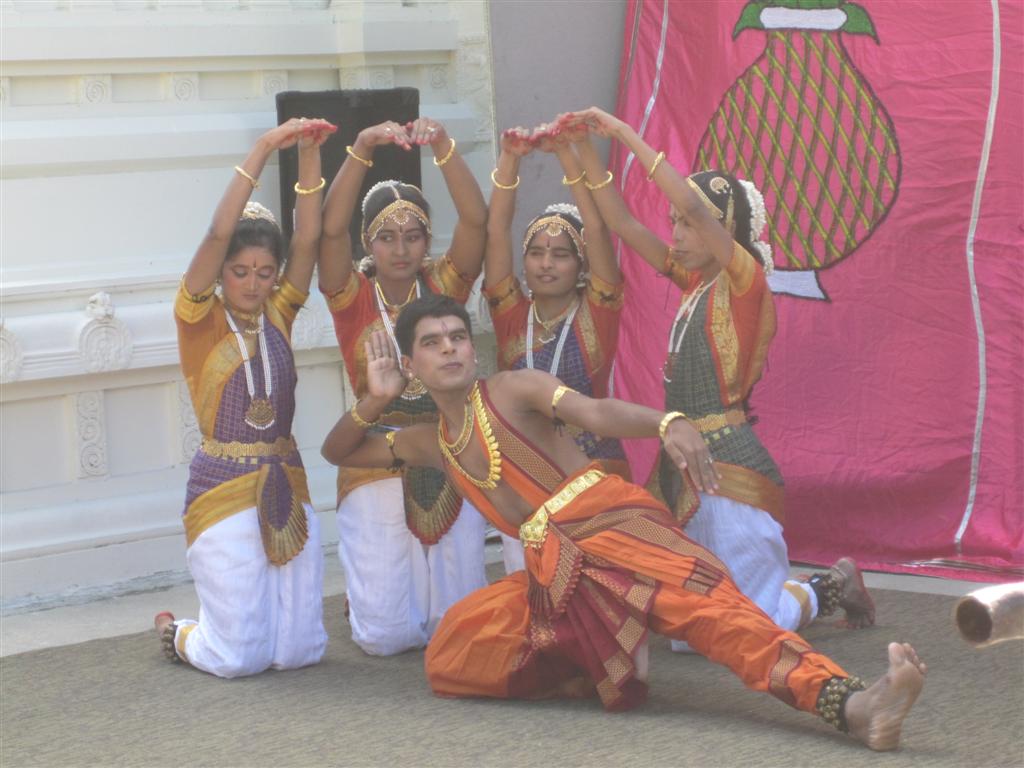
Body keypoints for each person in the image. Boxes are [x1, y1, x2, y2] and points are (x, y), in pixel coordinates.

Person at [320, 295, 925, 751]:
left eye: (457, 336)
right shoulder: (432, 442)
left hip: (610, 525)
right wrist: (374, 401)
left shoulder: (511, 389)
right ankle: (600, 653)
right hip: (554, 568)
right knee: (454, 646)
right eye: (432, 342)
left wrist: (667, 423)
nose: (449, 348)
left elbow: (595, 411)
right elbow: (340, 452)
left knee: (712, 615)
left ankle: (848, 702)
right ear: (410, 361)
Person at [561, 107, 874, 642]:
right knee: (690, 635)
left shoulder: (744, 281)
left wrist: (624, 134)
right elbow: (622, 223)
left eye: (690, 223)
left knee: (755, 630)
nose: (678, 231)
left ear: (722, 228)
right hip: (680, 461)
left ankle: (829, 585)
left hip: (729, 466)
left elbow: (685, 199)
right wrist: (574, 149)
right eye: (677, 224)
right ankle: (780, 591)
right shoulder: (693, 283)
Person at [155, 117, 336, 676]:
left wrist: (309, 155)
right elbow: (215, 235)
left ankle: (230, 627)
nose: (254, 283)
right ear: (221, 274)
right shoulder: (198, 320)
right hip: (223, 489)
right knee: (239, 659)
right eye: (240, 272)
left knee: (299, 652)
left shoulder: (278, 315)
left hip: (287, 481)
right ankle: (179, 633)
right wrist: (261, 151)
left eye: (264, 272)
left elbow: (308, 238)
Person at [316, 117, 489, 655]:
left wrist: (442, 147)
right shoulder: (351, 297)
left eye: (413, 236)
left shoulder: (443, 285)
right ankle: (368, 598)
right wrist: (361, 147)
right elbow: (326, 232)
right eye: (387, 237)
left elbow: (477, 222)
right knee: (387, 638)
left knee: (455, 628)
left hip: (447, 452)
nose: (401, 249)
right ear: (368, 241)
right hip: (373, 456)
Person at [483, 123, 629, 572]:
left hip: (593, 472)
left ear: (581, 264)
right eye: (537, 252)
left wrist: (568, 155)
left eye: (561, 254)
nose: (546, 263)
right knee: (533, 599)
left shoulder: (597, 311)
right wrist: (510, 159)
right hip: (523, 475)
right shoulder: (510, 313)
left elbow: (601, 231)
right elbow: (495, 230)